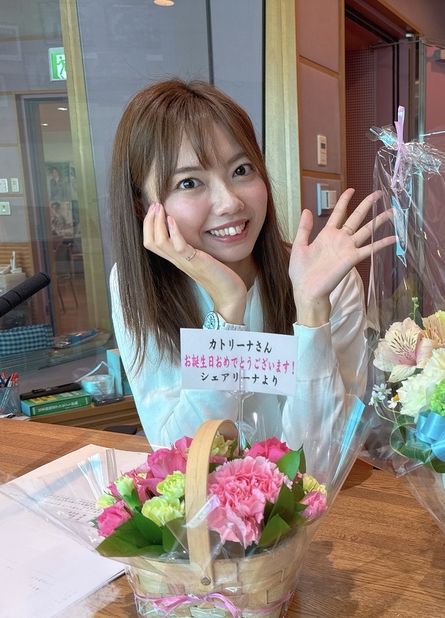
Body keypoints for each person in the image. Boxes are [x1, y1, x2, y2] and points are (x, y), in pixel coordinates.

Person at [108, 79, 394, 449]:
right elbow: (183, 455)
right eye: (189, 182)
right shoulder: (137, 285)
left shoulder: (327, 280)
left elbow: (326, 456)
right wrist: (227, 310)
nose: (230, 202)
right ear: (142, 206)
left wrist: (311, 313)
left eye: (241, 170)